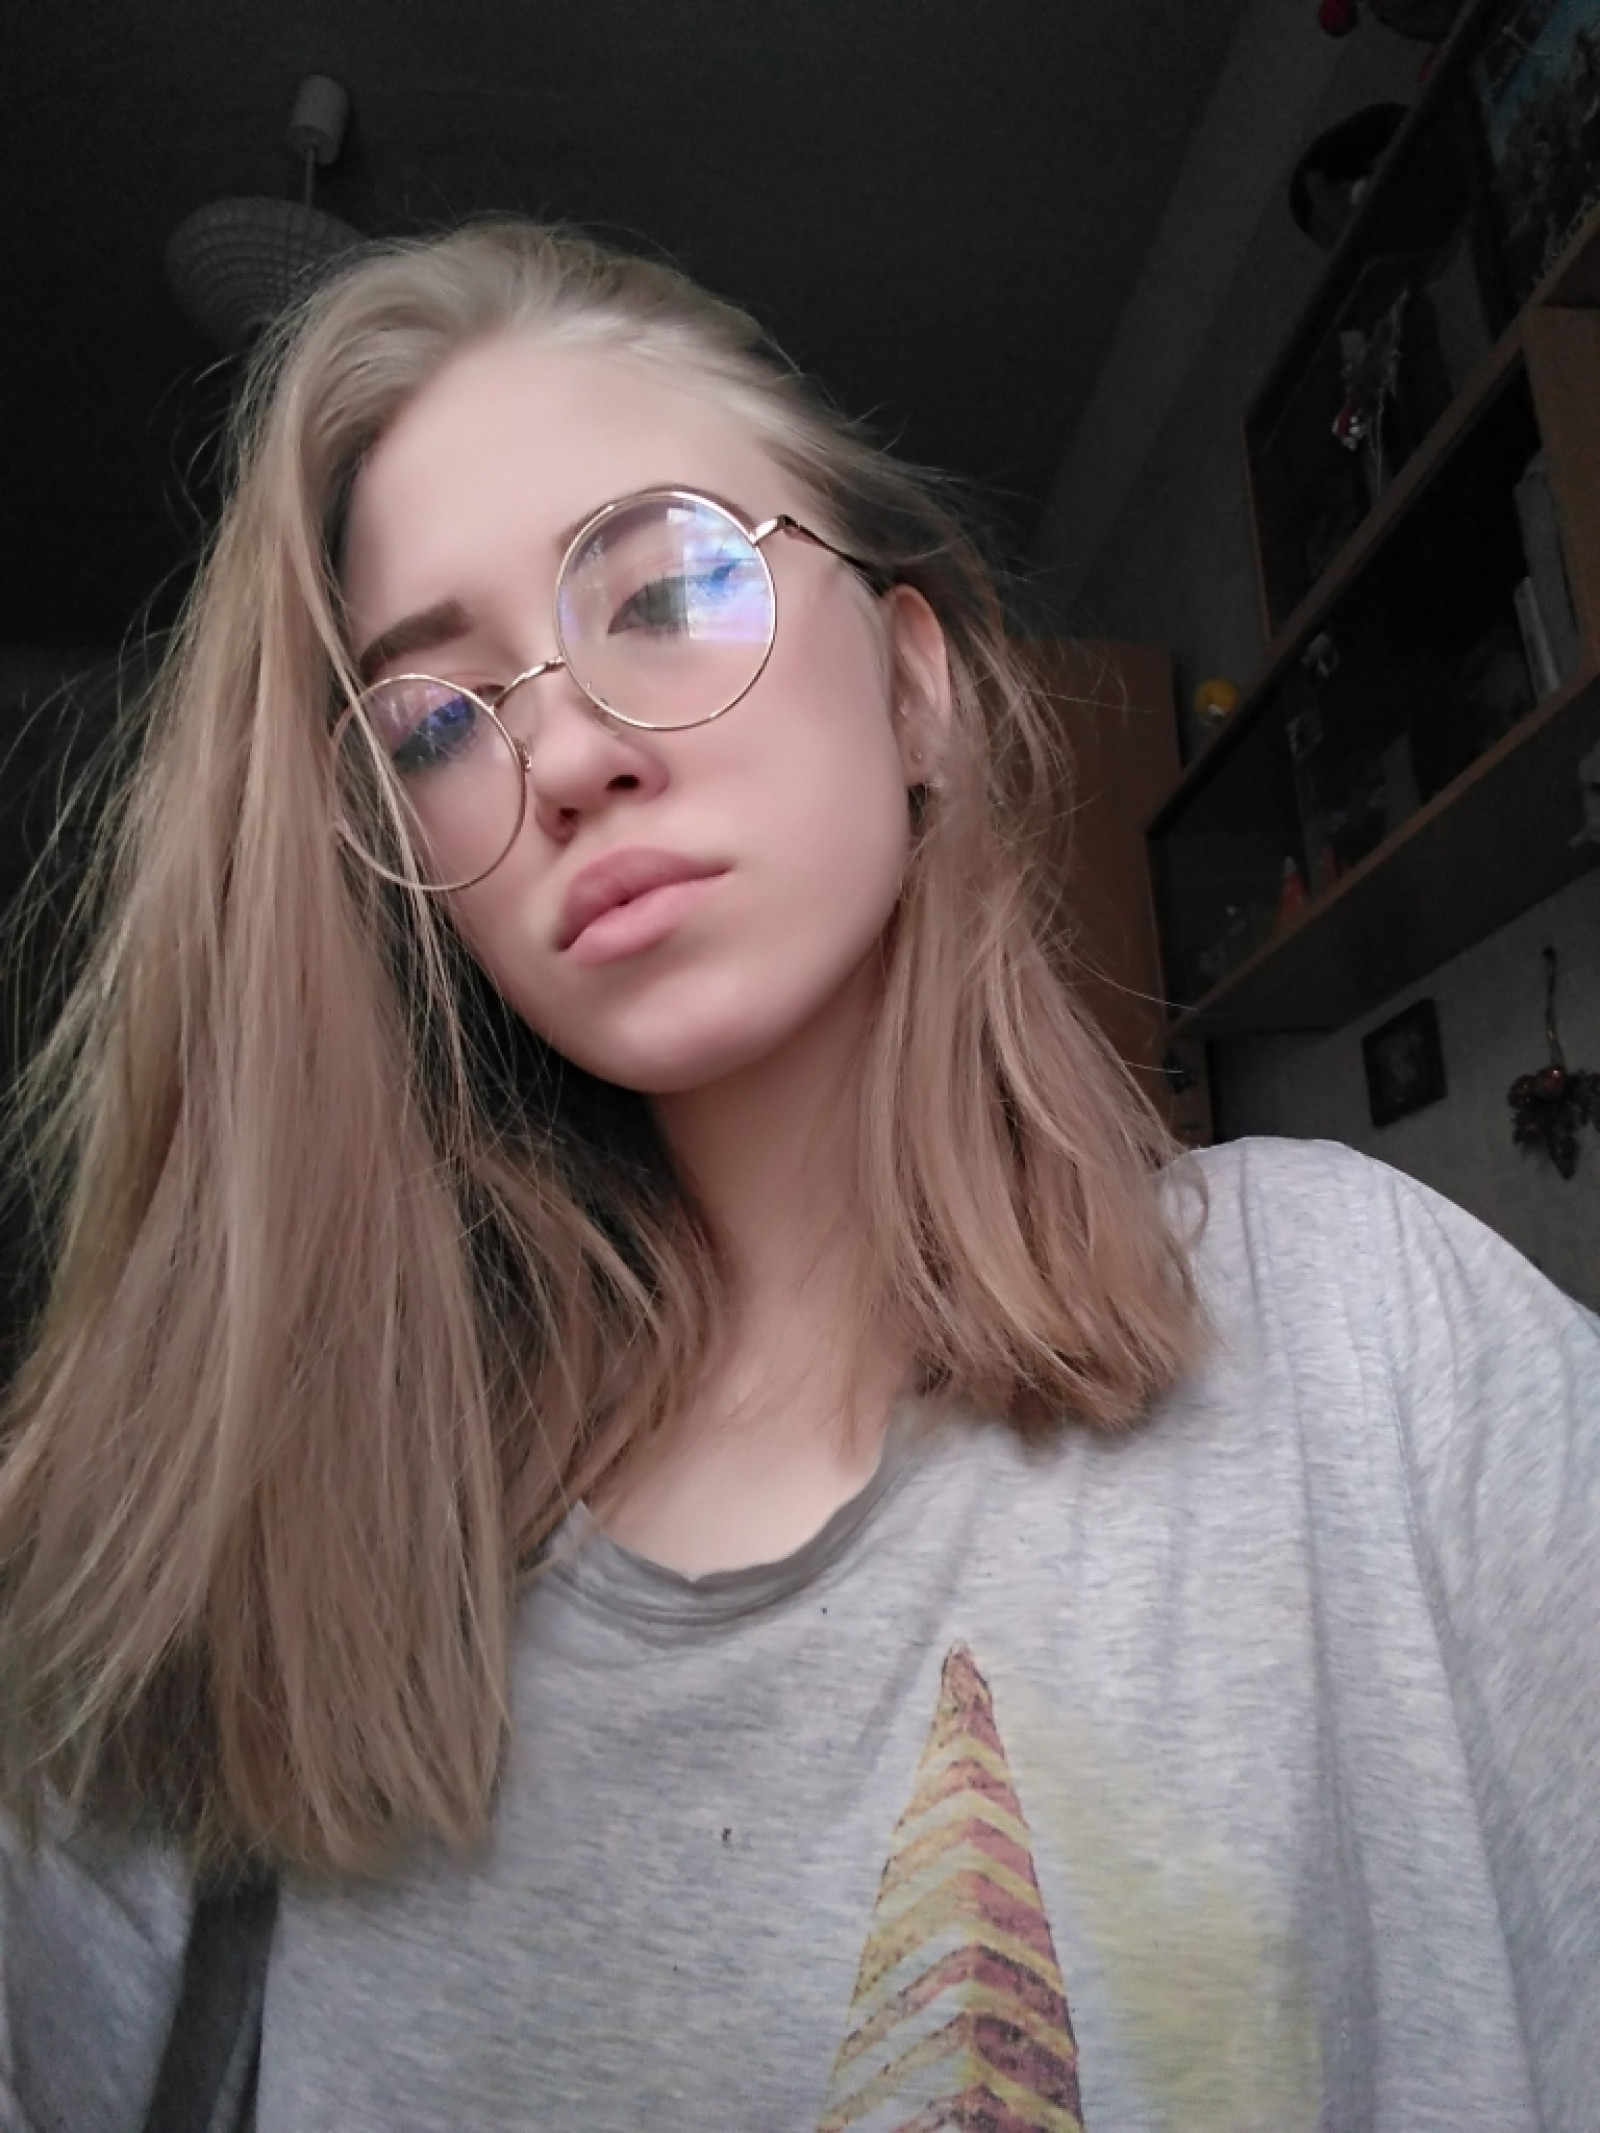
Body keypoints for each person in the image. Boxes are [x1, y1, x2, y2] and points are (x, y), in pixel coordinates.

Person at [1, 221, 1596, 2133]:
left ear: (916, 688)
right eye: (435, 720)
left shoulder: (1363, 1330)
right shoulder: (255, 1556)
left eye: (667, 585)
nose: (560, 754)